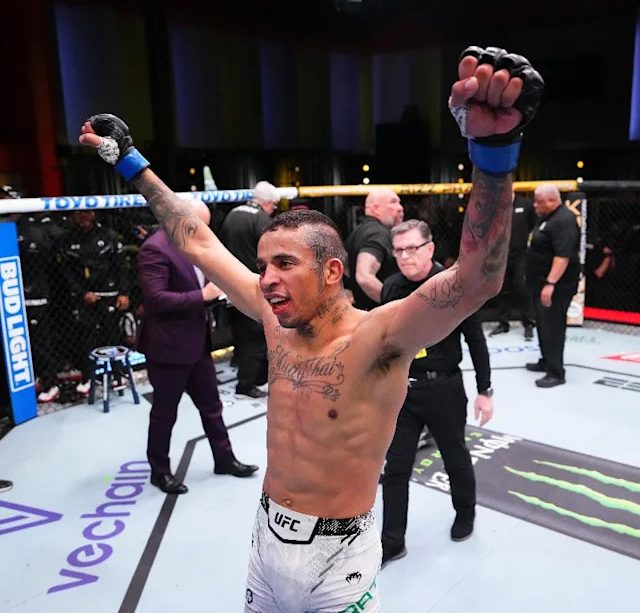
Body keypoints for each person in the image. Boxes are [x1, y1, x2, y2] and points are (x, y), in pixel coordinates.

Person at [79, 44, 543, 610]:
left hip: (340, 555)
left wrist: (494, 155)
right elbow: (197, 240)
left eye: (284, 264)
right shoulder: (275, 319)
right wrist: (131, 162)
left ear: (330, 272)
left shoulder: (379, 337)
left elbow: (476, 281)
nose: (266, 279)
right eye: (262, 266)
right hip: (266, 536)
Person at [379, 219, 494, 567]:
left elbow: (475, 339)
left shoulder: (454, 287)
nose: (404, 256)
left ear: (429, 248)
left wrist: (485, 390)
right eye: (398, 250)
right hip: (404, 391)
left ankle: (465, 512)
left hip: (444, 387)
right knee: (395, 468)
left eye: (411, 248)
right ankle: (392, 541)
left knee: (454, 456)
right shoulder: (391, 287)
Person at [136, 203, 259, 494]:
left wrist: (217, 293)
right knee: (165, 413)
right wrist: (202, 295)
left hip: (198, 343)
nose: (204, 231)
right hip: (168, 348)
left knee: (212, 407)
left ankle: (224, 459)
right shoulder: (155, 249)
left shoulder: (194, 246)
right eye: (199, 225)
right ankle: (160, 471)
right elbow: (156, 300)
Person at [1, 185, 66, 403]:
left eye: (6, 199)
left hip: (33, 295)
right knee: (22, 343)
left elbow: (40, 261)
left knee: (39, 342)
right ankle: (35, 378)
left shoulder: (31, 229)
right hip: (11, 295)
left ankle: (50, 383)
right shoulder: (8, 227)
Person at [58, 210, 131, 395]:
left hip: (110, 293)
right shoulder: (67, 239)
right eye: (79, 213)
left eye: (87, 212)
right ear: (73, 215)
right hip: (85, 296)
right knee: (86, 337)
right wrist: (82, 293)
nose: (83, 216)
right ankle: (89, 377)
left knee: (112, 335)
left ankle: (118, 375)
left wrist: (124, 293)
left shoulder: (108, 235)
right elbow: (67, 273)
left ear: (94, 213)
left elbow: (121, 266)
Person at [219, 181, 278, 399]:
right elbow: (271, 255)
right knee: (256, 336)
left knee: (240, 332)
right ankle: (247, 383)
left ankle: (241, 365)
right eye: (273, 206)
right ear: (268, 203)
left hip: (231, 283)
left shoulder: (232, 214)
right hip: (254, 285)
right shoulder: (261, 219)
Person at [525, 184, 579, 388]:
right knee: (543, 324)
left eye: (539, 201)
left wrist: (550, 284)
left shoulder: (564, 220)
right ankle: (547, 360)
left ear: (552, 200)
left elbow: (562, 257)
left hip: (556, 287)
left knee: (553, 327)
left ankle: (556, 372)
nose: (535, 205)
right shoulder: (547, 217)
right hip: (540, 283)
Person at [344, 187, 404, 310]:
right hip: (379, 314)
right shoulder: (379, 234)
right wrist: (394, 307)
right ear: (376, 209)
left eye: (399, 202)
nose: (400, 208)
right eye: (393, 202)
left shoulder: (357, 232)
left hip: (364, 311)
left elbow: (345, 268)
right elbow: (363, 276)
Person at [489, 189, 537, 339]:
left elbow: (535, 226)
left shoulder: (526, 204)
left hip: (522, 254)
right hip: (501, 256)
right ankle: (503, 322)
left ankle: (528, 323)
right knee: (502, 289)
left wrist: (530, 246)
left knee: (522, 287)